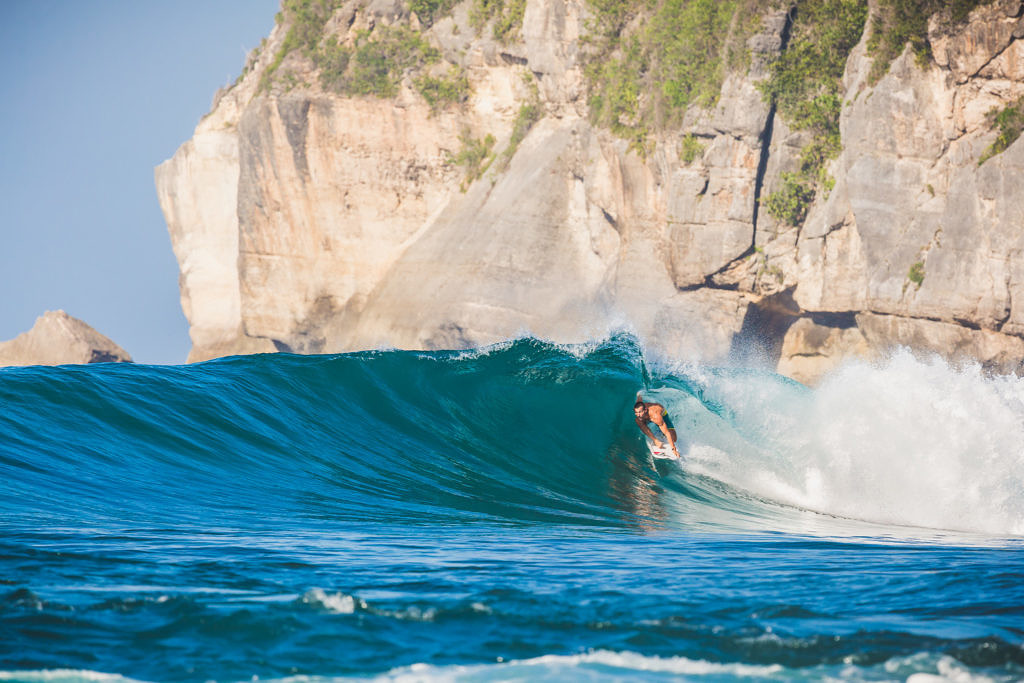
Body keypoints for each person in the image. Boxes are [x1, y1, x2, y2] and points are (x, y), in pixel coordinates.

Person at [634, 392, 679, 458]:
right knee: (638, 421)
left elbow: (667, 433)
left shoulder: (655, 416)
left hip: (662, 414)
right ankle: (656, 440)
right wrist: (639, 394)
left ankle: (660, 431)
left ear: (645, 410)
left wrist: (673, 449)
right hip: (646, 417)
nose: (638, 414)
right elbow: (639, 401)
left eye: (640, 412)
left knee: (674, 439)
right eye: (636, 412)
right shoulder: (639, 409)